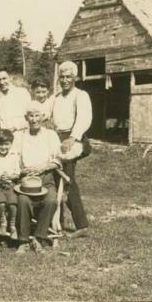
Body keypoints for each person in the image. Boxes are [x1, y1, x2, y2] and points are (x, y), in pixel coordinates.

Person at [13, 101, 62, 254]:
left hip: (45, 177)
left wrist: (43, 167)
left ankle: (38, 238)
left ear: (42, 117)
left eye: (37, 116)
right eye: (31, 116)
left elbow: (59, 159)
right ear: (26, 118)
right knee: (23, 201)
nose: (34, 119)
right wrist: (22, 170)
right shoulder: (18, 136)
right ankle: (23, 241)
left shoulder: (51, 135)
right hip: (25, 179)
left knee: (51, 200)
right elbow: (12, 158)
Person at [51, 61, 92, 238]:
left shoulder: (80, 95)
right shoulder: (56, 97)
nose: (65, 80)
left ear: (75, 77)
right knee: (54, 177)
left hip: (73, 138)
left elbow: (84, 118)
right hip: (57, 138)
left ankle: (81, 225)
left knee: (67, 179)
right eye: (62, 77)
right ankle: (58, 221)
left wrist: (72, 138)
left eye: (69, 77)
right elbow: (44, 113)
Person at [0, 66, 31, 132]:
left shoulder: (22, 93)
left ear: (10, 78)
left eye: (4, 78)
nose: (1, 82)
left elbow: (30, 116)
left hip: (21, 134)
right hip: (3, 137)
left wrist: (16, 127)